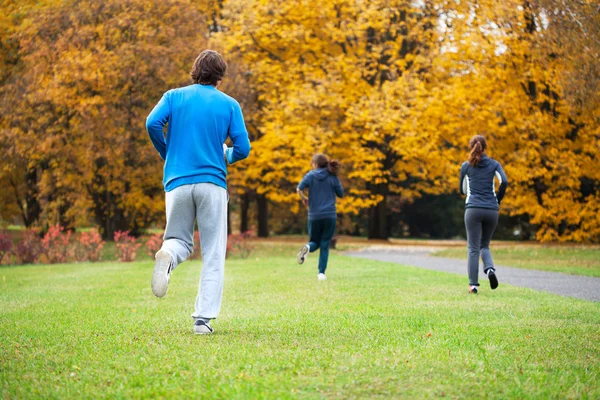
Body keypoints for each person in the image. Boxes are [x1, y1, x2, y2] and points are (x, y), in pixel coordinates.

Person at [146, 50, 251, 334]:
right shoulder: (229, 104)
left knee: (178, 239)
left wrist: (166, 152)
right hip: (212, 184)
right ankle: (202, 320)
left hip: (177, 182)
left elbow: (151, 123)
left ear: (195, 71)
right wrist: (226, 154)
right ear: (220, 76)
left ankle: (167, 256)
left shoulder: (173, 96)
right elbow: (244, 148)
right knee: (213, 252)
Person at [459, 135, 508, 294]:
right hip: (491, 210)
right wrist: (498, 199)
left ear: (471, 147)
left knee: (473, 247)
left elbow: (463, 190)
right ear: (485, 147)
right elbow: (504, 182)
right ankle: (490, 270)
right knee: (484, 245)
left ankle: (473, 285)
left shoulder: (466, 166)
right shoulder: (494, 164)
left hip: (473, 209)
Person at [296, 154, 344, 280]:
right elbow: (341, 194)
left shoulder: (310, 175)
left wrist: (304, 199)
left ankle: (307, 247)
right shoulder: (332, 176)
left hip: (314, 215)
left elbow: (299, 189)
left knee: (315, 242)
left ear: (315, 164)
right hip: (329, 215)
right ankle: (321, 273)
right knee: (325, 244)